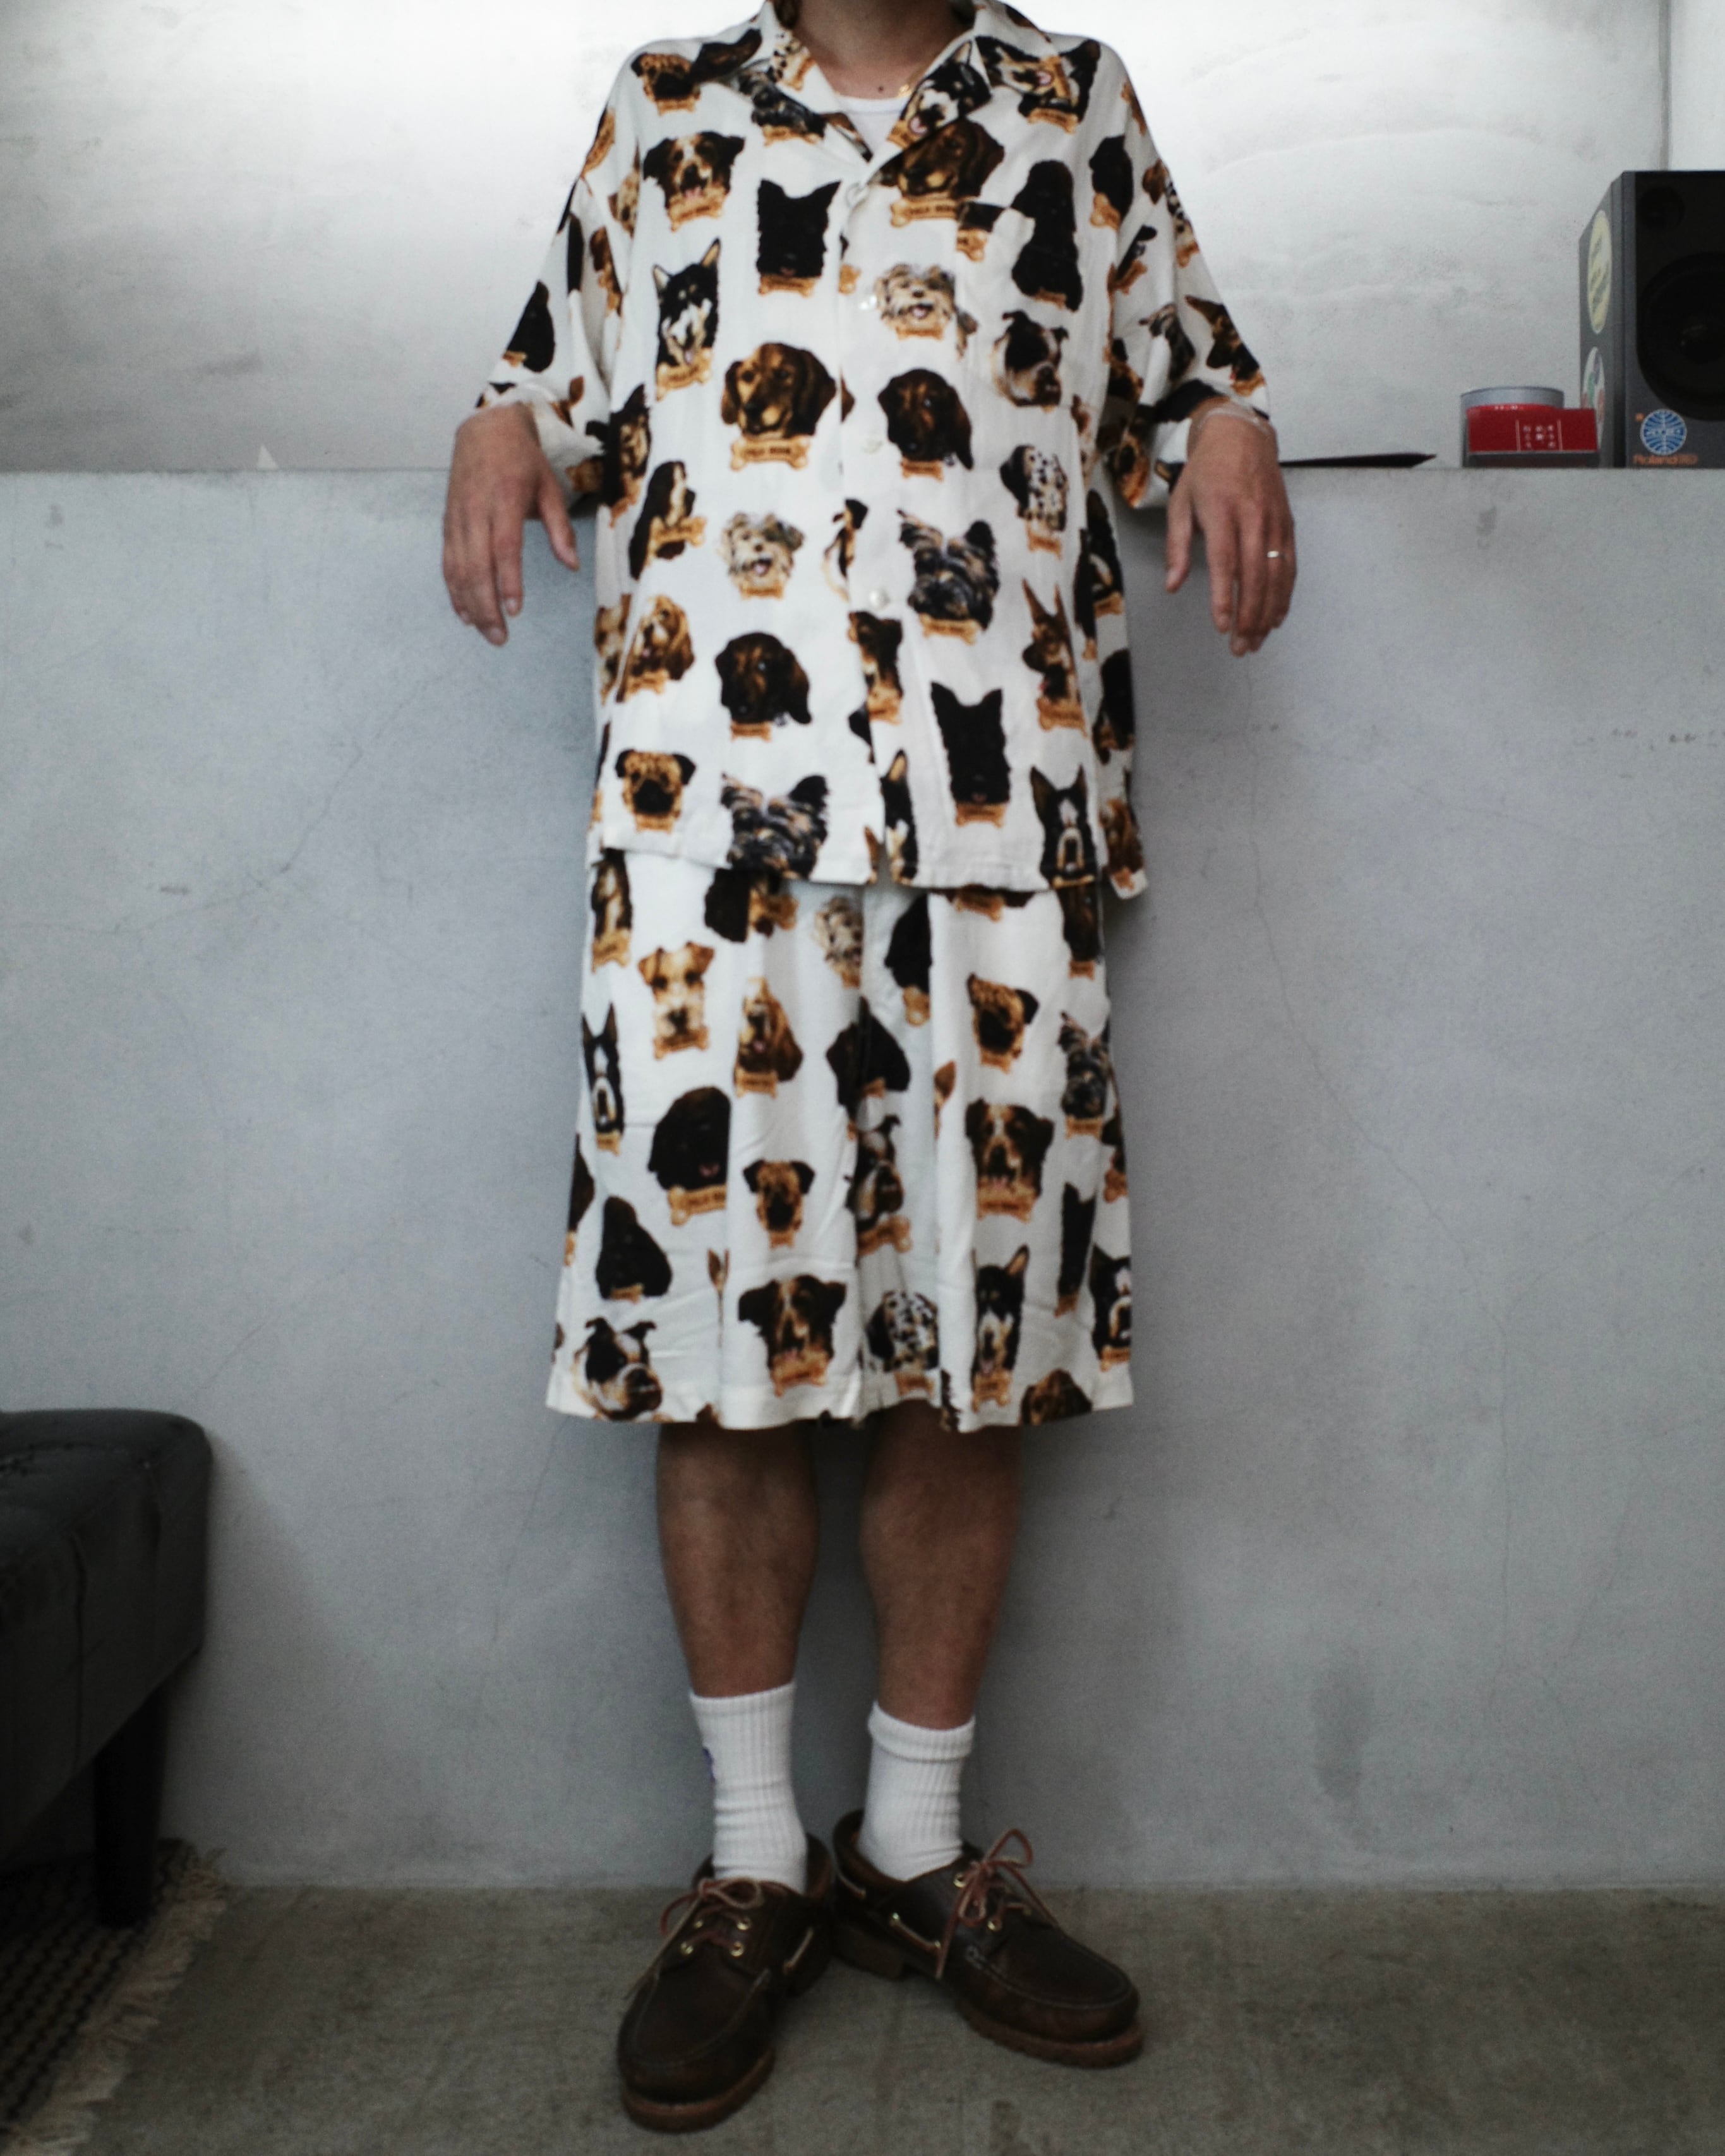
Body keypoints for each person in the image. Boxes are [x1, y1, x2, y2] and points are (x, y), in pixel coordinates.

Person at [443, 0, 1295, 2128]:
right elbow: (548, 379)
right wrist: (499, 423)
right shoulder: (661, 112)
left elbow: (1186, 369)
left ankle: (914, 1855)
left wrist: (1225, 425)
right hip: (703, 844)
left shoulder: (1068, 103)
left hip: (993, 844)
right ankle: (753, 1864)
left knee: (969, 1350)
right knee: (711, 1350)